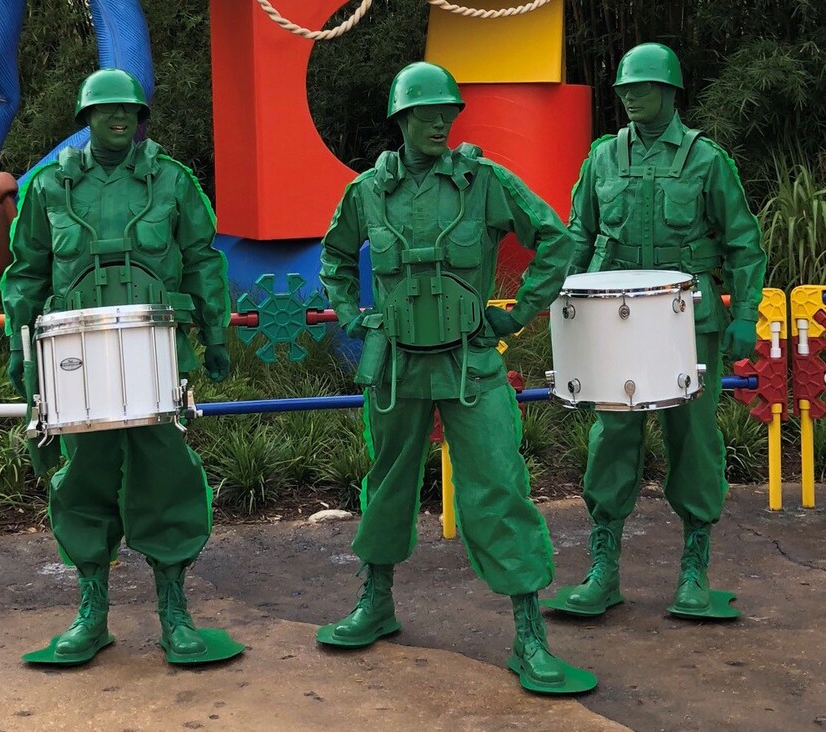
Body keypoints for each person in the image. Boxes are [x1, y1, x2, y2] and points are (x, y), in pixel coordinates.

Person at [317, 61, 596, 695]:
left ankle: (529, 636)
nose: (438, 122)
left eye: (446, 113)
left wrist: (518, 313)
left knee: (499, 485)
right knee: (388, 484)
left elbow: (553, 237)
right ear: (401, 119)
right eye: (425, 113)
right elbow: (335, 255)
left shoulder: (484, 182)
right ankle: (376, 601)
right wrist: (352, 316)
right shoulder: (368, 192)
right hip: (397, 367)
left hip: (471, 362)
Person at [2, 68, 242, 665]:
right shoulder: (49, 187)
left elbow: (202, 260)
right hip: (76, 362)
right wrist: (17, 347)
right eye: (105, 110)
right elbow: (26, 273)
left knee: (167, 476)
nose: (117, 118)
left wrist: (215, 335)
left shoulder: (172, 181)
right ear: (85, 118)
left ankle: (175, 612)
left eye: (128, 110)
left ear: (139, 119)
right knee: (83, 475)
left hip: (154, 354)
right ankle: (91, 612)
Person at [546, 43, 766, 620]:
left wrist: (747, 313)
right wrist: (562, 308)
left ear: (670, 92)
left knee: (693, 438)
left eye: (640, 87)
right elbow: (578, 235)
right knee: (612, 438)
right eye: (624, 89)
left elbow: (743, 243)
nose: (629, 97)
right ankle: (603, 569)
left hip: (687, 321)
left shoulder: (706, 160)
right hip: (612, 323)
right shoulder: (602, 159)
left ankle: (695, 569)